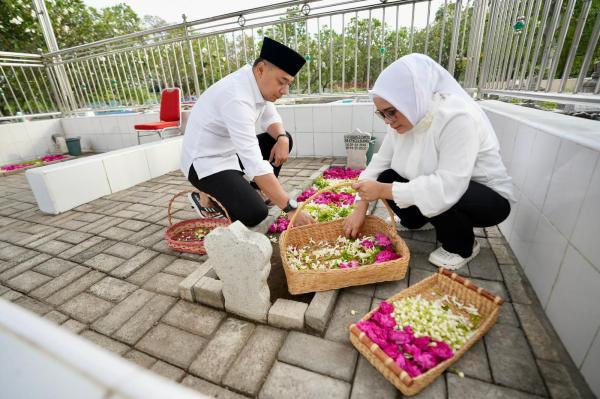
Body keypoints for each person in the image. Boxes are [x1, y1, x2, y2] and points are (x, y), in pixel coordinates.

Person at [343, 54, 515, 270]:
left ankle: (463, 245)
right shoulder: (407, 118)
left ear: (412, 98)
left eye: (391, 112)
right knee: (386, 176)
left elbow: (449, 185)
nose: (388, 121)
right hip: (445, 186)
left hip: (484, 197)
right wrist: (361, 206)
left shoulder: (457, 117)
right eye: (382, 114)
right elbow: (379, 162)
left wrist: (383, 190)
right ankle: (417, 222)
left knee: (423, 189)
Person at [181, 37, 314, 227]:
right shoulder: (236, 97)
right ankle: (204, 198)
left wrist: (283, 138)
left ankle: (254, 190)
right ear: (260, 69)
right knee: (255, 213)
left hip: (232, 153)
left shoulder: (257, 82)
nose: (285, 90)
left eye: (289, 84)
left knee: (281, 138)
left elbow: (271, 118)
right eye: (282, 82)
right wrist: (292, 209)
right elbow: (253, 163)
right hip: (206, 162)